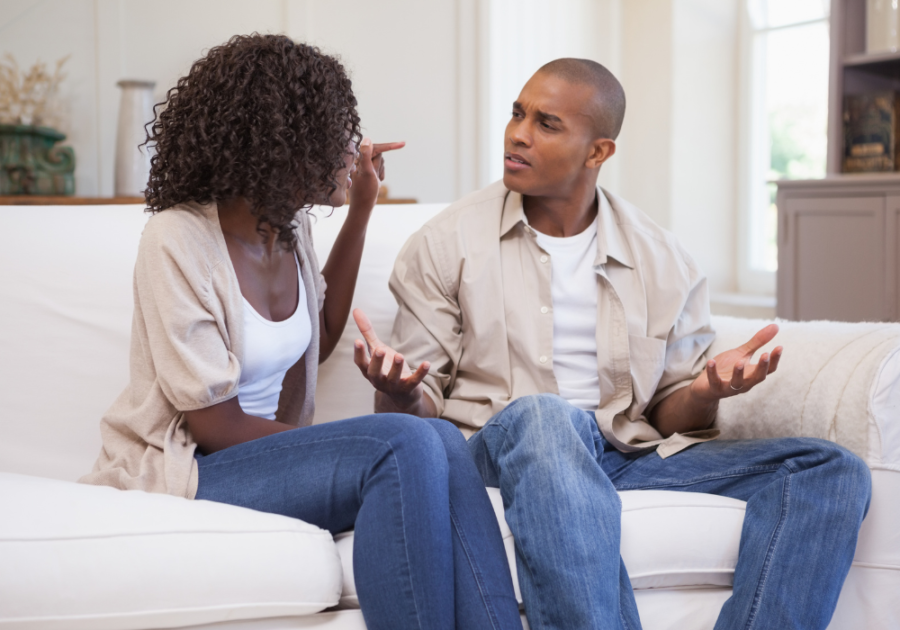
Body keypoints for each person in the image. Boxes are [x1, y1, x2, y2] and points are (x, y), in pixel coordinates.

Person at [353, 58, 872, 630]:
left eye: (547, 124)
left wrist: (703, 389)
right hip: (496, 453)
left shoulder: (661, 258)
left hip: (620, 456)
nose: (517, 134)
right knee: (547, 420)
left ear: (598, 152)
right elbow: (419, 411)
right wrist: (399, 390)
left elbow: (669, 415)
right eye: (517, 114)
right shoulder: (446, 243)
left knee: (829, 468)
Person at [79, 34, 522, 630]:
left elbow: (321, 334)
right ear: (283, 140)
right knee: (404, 441)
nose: (353, 145)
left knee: (439, 438)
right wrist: (345, 445)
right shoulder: (177, 241)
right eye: (339, 129)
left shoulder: (286, 229)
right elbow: (215, 424)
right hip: (189, 469)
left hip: (256, 454)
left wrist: (363, 206)